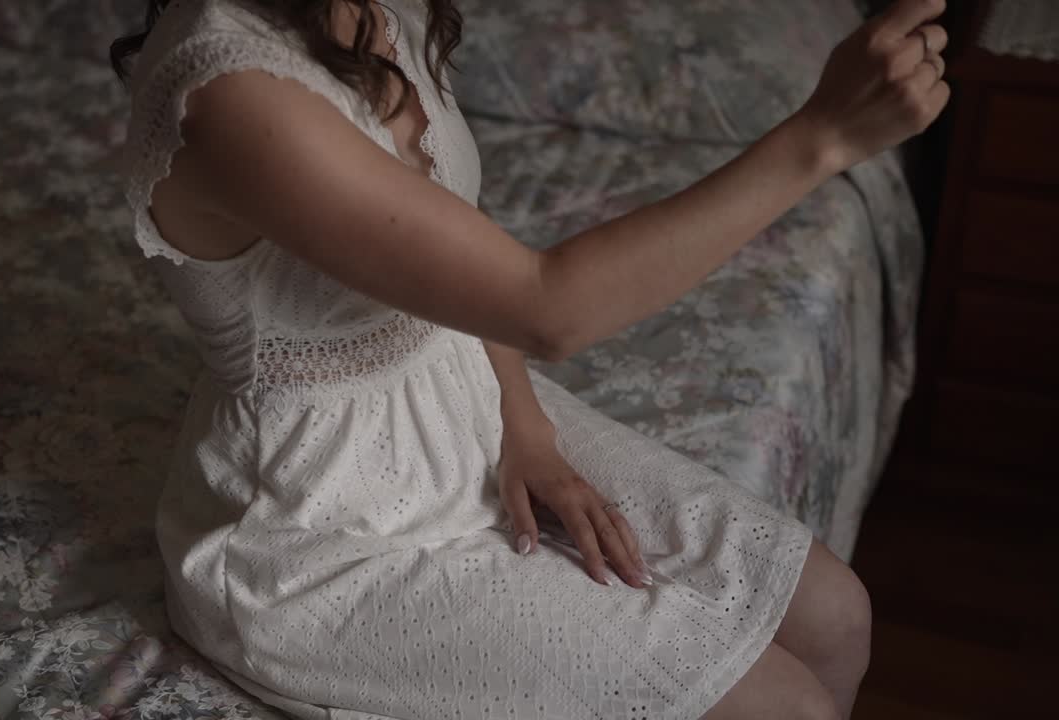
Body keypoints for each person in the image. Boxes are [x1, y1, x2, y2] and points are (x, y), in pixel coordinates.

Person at [111, 0, 949, 717]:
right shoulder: (226, 83)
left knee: (836, 617)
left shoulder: (368, 11)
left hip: (469, 398)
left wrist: (525, 424)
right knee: (787, 707)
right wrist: (820, 139)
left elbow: (463, 262)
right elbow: (548, 303)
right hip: (324, 533)